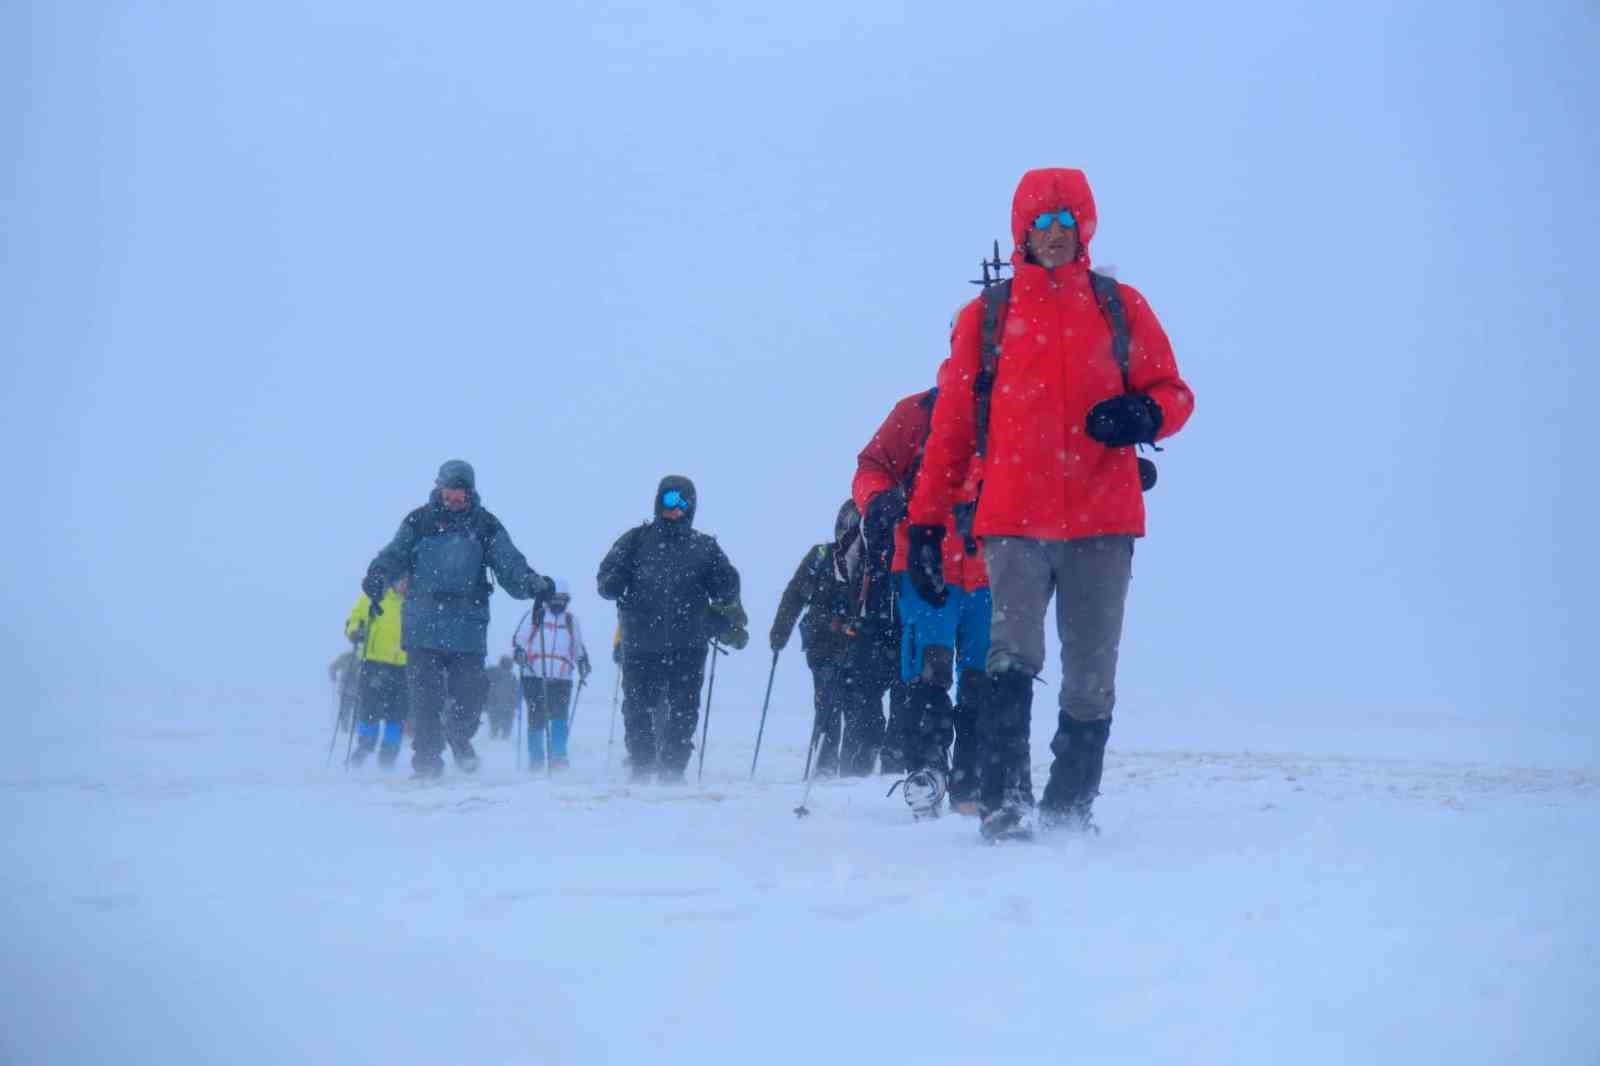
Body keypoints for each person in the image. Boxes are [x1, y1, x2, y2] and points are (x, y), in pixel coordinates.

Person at [908, 168, 1194, 839]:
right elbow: (949, 428)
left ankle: (1070, 810)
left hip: (1104, 520)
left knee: (1092, 674)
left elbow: (1175, 393)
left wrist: (1142, 413)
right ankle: (1006, 808)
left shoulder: (1121, 307)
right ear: (1022, 232)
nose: (1055, 235)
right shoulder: (988, 319)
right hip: (1012, 522)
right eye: (1042, 223)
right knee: (1010, 658)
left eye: (1067, 222)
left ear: (1085, 227)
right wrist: (925, 520)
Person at [363, 460, 554, 779]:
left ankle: (458, 732)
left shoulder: (485, 525)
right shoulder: (419, 521)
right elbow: (394, 554)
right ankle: (426, 764)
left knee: (472, 694)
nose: (453, 499)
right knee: (425, 700)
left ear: (470, 493)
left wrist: (532, 582)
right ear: (439, 488)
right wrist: (378, 575)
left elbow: (509, 565)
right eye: (449, 492)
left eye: (460, 494)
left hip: (468, 626)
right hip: (423, 625)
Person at [853, 386, 991, 818]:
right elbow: (872, 466)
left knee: (982, 676)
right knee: (929, 670)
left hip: (993, 566)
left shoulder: (1017, 406)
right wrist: (879, 501)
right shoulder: (916, 411)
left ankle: (972, 778)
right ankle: (926, 773)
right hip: (922, 561)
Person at [596, 476, 748, 783]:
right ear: (658, 502)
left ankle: (672, 771)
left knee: (684, 709)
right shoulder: (635, 540)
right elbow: (606, 580)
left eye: (682, 502)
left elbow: (727, 589)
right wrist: (614, 582)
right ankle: (640, 766)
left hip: (688, 645)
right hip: (640, 642)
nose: (675, 508)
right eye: (669, 500)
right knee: (637, 708)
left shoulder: (704, 547)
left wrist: (723, 596)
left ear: (691, 507)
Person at [769, 500, 892, 778]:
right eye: (847, 524)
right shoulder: (821, 556)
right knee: (828, 704)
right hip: (823, 645)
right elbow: (795, 595)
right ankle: (824, 768)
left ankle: (853, 771)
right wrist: (780, 632)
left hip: (860, 646)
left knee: (857, 707)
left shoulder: (874, 562)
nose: (849, 531)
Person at [512, 579, 592, 771]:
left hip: (562, 678)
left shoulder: (571, 621)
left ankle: (558, 756)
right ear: (547, 598)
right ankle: (536, 759)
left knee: (559, 718)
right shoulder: (535, 616)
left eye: (563, 599)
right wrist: (520, 654)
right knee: (536, 717)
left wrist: (582, 661)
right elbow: (519, 641)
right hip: (534, 675)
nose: (558, 603)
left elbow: (578, 647)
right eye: (555, 598)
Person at [344, 576, 410, 767]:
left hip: (404, 667)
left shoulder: (415, 601)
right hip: (374, 663)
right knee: (369, 709)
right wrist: (355, 631)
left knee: (397, 714)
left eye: (409, 581)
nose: (405, 585)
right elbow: (354, 619)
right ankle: (364, 745)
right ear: (394, 580)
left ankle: (389, 755)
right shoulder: (375, 597)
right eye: (402, 580)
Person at [485, 655, 520, 740]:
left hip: (493, 705)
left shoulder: (493, 674)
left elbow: (487, 687)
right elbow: (516, 691)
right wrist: (515, 703)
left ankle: (493, 740)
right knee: (506, 729)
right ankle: (504, 741)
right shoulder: (513, 677)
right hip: (508, 706)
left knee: (494, 727)